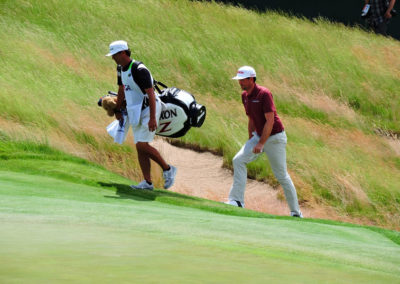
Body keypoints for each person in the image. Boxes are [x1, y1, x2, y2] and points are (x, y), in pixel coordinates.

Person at [225, 66, 303, 218]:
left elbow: (270, 121)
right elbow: (251, 118)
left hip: (275, 139)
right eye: (239, 80)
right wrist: (251, 138)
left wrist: (261, 143)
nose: (240, 83)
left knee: (281, 175)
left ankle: (296, 212)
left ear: (252, 79)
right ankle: (237, 201)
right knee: (238, 160)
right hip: (258, 136)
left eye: (243, 80)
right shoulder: (244, 96)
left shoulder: (264, 94)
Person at [106, 40, 177, 190]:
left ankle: (168, 169)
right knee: (140, 147)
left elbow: (151, 95)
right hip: (135, 111)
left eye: (115, 55)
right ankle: (147, 182)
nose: (113, 58)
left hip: (149, 109)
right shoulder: (120, 69)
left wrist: (152, 118)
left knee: (142, 144)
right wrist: (118, 110)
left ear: (123, 53)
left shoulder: (139, 69)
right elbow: (121, 90)